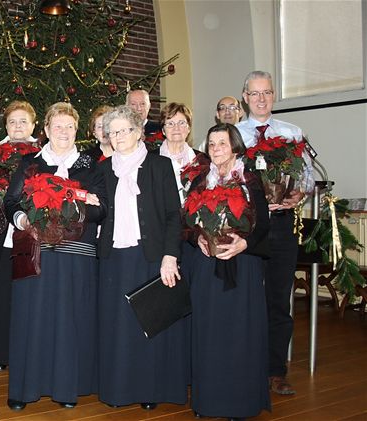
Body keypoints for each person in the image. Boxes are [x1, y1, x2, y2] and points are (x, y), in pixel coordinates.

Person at [3, 102, 107, 410]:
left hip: (76, 254)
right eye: (57, 126)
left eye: (69, 126)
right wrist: (22, 219)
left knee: (69, 320)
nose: (63, 131)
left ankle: (66, 387)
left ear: (78, 131)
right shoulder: (29, 163)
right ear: (46, 130)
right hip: (36, 250)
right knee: (30, 318)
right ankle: (24, 388)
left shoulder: (91, 165)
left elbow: (103, 209)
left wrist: (82, 201)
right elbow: (11, 200)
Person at [96, 105, 189, 410]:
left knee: (149, 323)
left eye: (125, 130)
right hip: (113, 259)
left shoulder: (159, 166)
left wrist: (169, 256)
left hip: (150, 256)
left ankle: (150, 389)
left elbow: (174, 216)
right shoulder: (102, 170)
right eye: (114, 131)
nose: (120, 136)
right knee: (118, 326)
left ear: (138, 132)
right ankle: (118, 390)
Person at [236, 70, 314, 396]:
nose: (261, 99)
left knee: (279, 301)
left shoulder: (292, 133)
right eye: (254, 94)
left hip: (282, 227)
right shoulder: (233, 134)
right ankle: (243, 367)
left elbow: (308, 177)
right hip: (247, 227)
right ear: (245, 97)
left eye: (266, 92)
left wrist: (299, 194)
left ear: (274, 95)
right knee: (244, 299)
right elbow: (216, 176)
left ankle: (275, 371)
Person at [185, 123, 270, 420]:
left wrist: (243, 244)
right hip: (207, 266)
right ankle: (207, 401)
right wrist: (198, 239)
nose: (216, 148)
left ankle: (240, 404)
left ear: (235, 146)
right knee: (207, 332)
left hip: (242, 265)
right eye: (211, 143)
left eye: (222, 142)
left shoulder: (251, 179)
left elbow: (263, 226)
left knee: (239, 333)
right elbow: (186, 223)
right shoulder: (199, 181)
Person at [0, 100, 39, 372]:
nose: (18, 127)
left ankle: (27, 352)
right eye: (12, 122)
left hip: (29, 234)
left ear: (33, 125)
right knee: (1, 294)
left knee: (28, 293)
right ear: (6, 125)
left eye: (23, 121)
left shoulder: (43, 155)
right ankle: (1, 353)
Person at [158, 102, 206, 203]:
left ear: (188, 128)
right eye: (170, 123)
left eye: (181, 123)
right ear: (163, 130)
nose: (176, 128)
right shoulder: (150, 160)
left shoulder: (203, 160)